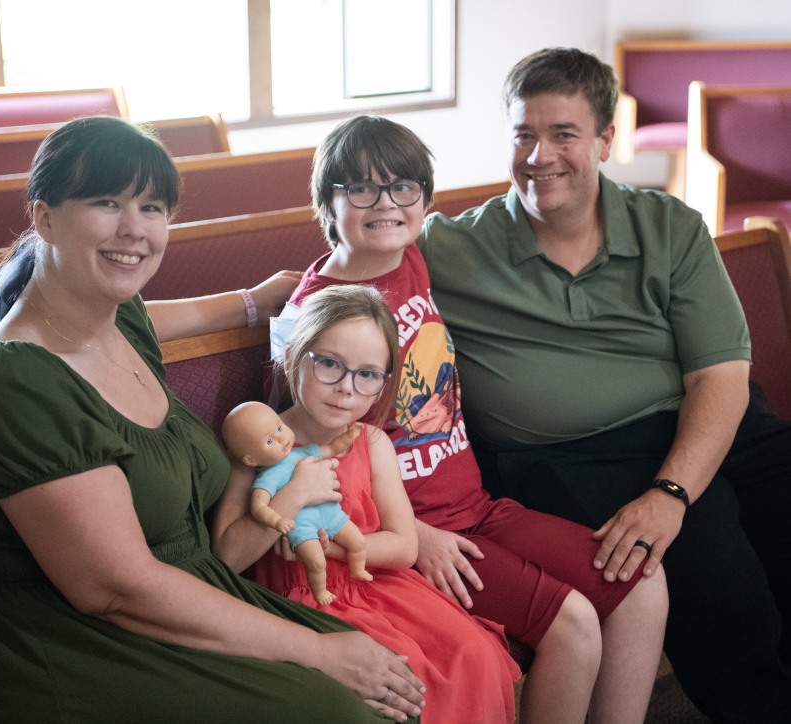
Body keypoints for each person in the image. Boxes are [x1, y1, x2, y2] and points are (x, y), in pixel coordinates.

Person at [0, 115, 426, 724]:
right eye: (106, 202)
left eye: (154, 207)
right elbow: (114, 588)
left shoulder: (119, 320)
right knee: (344, 711)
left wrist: (252, 300)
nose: (135, 230)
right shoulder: (11, 380)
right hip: (55, 645)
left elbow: (162, 310)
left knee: (396, 679)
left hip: (185, 594)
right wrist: (318, 650)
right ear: (44, 216)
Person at [417, 47, 791, 724]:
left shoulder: (669, 226)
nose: (540, 156)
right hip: (572, 456)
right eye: (524, 135)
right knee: (715, 575)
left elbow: (721, 376)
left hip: (702, 421)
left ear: (606, 141)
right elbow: (344, 270)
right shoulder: (449, 248)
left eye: (564, 135)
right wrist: (244, 301)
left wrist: (673, 490)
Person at [261, 113, 668, 724]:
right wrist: (414, 537)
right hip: (407, 532)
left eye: (405, 187)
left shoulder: (411, 260)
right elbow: (292, 449)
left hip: (475, 506)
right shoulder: (312, 317)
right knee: (574, 624)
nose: (387, 203)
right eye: (363, 189)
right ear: (327, 201)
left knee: (639, 580)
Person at [213, 284, 523, 724]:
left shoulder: (372, 442)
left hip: (377, 584)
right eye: (330, 365)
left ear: (382, 385)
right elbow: (225, 555)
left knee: (471, 653)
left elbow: (403, 546)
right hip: (302, 601)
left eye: (367, 374)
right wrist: (293, 495)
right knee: (400, 672)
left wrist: (333, 547)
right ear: (294, 356)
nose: (345, 388)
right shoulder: (260, 443)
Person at [223, 402, 370, 604]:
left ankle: (358, 570)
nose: (282, 437)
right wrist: (277, 521)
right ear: (250, 459)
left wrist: (348, 437)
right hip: (301, 526)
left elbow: (333, 448)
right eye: (269, 441)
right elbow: (259, 508)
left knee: (359, 542)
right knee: (317, 562)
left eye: (280, 427)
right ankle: (320, 592)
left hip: (330, 512)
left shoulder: (304, 452)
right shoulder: (268, 478)